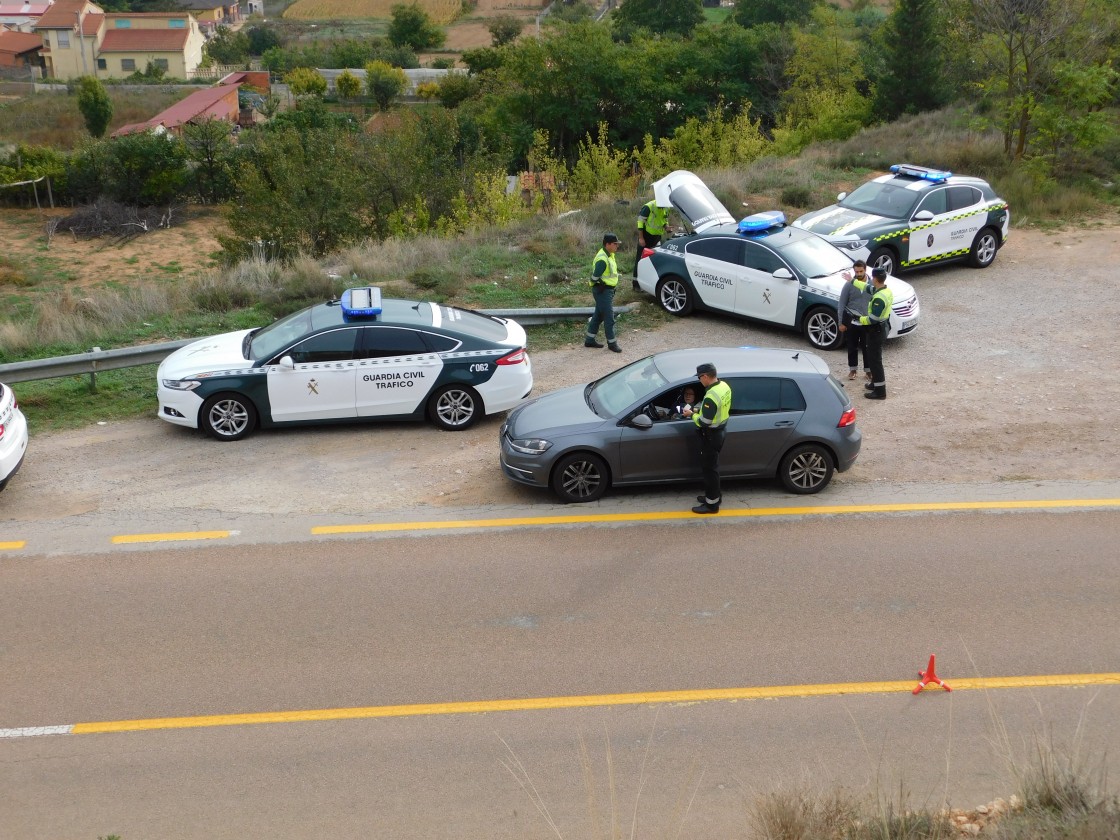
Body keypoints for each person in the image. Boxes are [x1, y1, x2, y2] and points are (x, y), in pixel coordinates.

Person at [683, 363, 731, 513]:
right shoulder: (723, 386)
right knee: (713, 468)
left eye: (699, 378)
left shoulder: (711, 395)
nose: (699, 380)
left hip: (710, 436)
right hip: (720, 432)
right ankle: (715, 496)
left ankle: (712, 505)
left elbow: (704, 422)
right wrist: (699, 409)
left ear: (705, 376)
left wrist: (691, 414)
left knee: (709, 471)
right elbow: (717, 408)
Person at [852, 266, 894, 400]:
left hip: (876, 330)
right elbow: (867, 288)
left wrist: (859, 319)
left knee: (875, 361)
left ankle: (880, 391)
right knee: (873, 358)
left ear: (874, 279)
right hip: (881, 328)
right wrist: (852, 281)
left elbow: (873, 319)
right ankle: (875, 384)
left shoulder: (879, 298)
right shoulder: (885, 290)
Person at [585, 232, 622, 352]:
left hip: (607, 290)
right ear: (608, 244)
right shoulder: (603, 259)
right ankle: (612, 343)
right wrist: (599, 284)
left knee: (598, 315)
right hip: (603, 291)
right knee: (609, 317)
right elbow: (594, 277)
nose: (617, 246)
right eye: (615, 244)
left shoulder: (609, 254)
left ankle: (589, 340)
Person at [837, 259, 873, 383]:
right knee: (852, 346)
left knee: (867, 347)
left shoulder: (872, 284)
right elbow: (842, 303)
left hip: (867, 322)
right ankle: (853, 369)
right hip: (852, 321)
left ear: (865, 270)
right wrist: (841, 322)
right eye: (856, 271)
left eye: (860, 271)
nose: (858, 274)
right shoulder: (849, 284)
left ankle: (868, 370)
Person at [633, 198, 670, 278]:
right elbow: (640, 222)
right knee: (640, 259)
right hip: (646, 236)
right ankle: (636, 284)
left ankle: (647, 280)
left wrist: (667, 227)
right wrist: (641, 238)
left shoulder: (666, 207)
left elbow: (664, 220)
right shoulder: (648, 207)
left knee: (653, 259)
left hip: (657, 237)